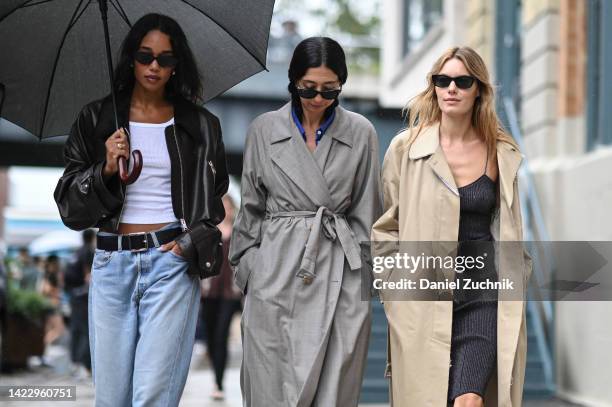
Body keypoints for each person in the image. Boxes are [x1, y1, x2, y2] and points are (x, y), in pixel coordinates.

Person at [53, 13, 228, 407]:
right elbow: (69, 204)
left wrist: (189, 244)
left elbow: (214, 198)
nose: (154, 66)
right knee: (112, 399)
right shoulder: (97, 119)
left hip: (170, 262)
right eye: (145, 55)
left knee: (152, 396)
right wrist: (105, 170)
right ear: (130, 58)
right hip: (111, 265)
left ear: (176, 63)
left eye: (165, 59)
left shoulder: (200, 126)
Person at [371, 46, 531, 407]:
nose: (452, 88)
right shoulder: (405, 149)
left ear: (479, 89)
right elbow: (386, 229)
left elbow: (509, 229)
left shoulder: (500, 152)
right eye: (443, 80)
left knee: (469, 399)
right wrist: (393, 289)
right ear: (434, 87)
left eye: (462, 81)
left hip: (482, 294)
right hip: (424, 296)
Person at [229, 37, 382, 406]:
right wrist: (251, 268)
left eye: (330, 91)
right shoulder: (264, 130)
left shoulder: (361, 132)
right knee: (271, 388)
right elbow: (250, 209)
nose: (317, 99)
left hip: (337, 275)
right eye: (307, 88)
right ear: (293, 81)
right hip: (275, 273)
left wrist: (360, 278)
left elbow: (368, 212)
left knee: (333, 390)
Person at [200, 194, 242, 401]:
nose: (226, 210)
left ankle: (219, 382)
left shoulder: (239, 233)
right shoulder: (209, 231)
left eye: (229, 207)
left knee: (221, 335)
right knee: (210, 335)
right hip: (209, 291)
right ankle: (216, 377)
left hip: (229, 292)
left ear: (233, 210)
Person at [64, 229, 95, 376]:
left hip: (73, 295)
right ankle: (84, 365)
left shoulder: (75, 253)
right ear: (92, 238)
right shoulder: (88, 252)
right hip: (83, 295)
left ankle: (74, 362)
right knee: (86, 330)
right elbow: (88, 275)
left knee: (75, 329)